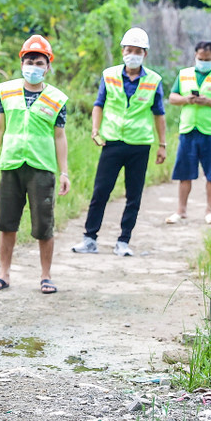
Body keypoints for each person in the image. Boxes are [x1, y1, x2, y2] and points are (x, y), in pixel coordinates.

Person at [0, 35, 71, 293]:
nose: (34, 66)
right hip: (11, 164)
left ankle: (45, 276)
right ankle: (4, 274)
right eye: (29, 61)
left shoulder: (57, 98)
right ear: (21, 63)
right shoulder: (6, 90)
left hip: (42, 167)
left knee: (43, 224)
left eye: (39, 62)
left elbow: (60, 136)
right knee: (6, 222)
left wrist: (64, 172)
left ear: (48, 66)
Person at [72, 27, 167, 257]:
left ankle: (123, 241)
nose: (132, 54)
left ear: (145, 54)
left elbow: (159, 113)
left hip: (139, 144)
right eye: (128, 49)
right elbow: (99, 104)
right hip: (112, 142)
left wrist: (162, 144)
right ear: (122, 51)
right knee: (101, 191)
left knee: (133, 195)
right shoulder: (109, 75)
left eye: (137, 50)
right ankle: (90, 238)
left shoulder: (154, 80)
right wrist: (95, 130)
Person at [165, 41, 211, 225]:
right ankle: (181, 210)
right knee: (184, 172)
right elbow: (172, 97)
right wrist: (186, 100)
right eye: (200, 58)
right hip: (188, 129)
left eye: (207, 59)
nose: (203, 62)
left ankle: (209, 210)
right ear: (195, 56)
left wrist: (209, 101)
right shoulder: (184, 74)